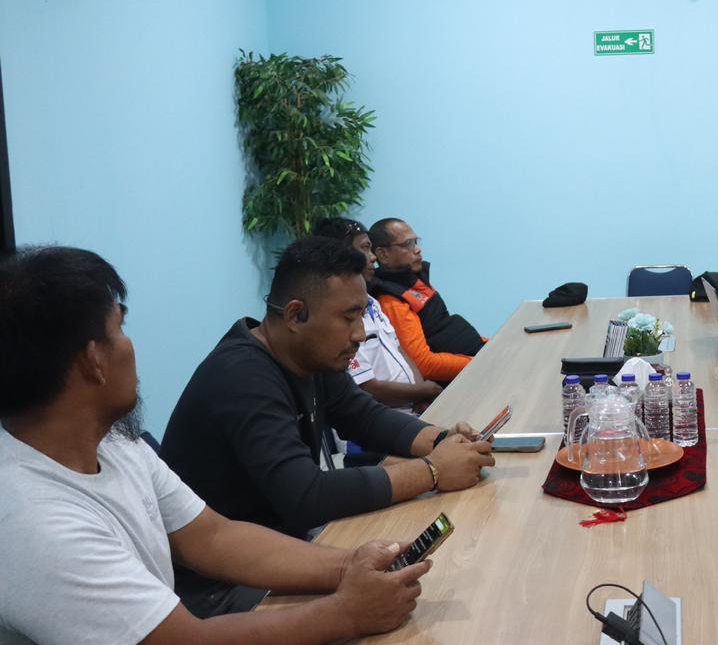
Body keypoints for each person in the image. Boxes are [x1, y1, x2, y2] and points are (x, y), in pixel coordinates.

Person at [0, 246, 432, 644]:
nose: (131, 347)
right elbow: (184, 641)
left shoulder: (113, 444)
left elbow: (213, 537)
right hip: (196, 612)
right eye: (120, 328)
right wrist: (347, 614)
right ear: (93, 361)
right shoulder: (36, 521)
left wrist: (349, 565)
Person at [161, 237, 494, 617]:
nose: (360, 333)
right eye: (348, 318)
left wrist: (446, 441)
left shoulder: (306, 354)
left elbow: (365, 417)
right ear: (295, 315)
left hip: (285, 550)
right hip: (221, 588)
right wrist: (432, 471)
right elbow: (306, 496)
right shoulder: (242, 376)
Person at [313, 217, 442, 413]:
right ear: (341, 255)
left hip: (413, 408)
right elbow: (367, 388)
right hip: (382, 417)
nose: (373, 257)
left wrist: (420, 393)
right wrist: (423, 391)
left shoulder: (372, 302)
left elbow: (400, 350)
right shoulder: (336, 318)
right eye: (365, 248)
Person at [368, 217, 485, 382]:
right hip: (464, 377)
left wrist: (491, 345)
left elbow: (445, 328)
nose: (417, 250)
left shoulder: (414, 280)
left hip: (476, 356)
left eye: (416, 242)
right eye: (407, 244)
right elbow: (424, 364)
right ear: (383, 254)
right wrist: (482, 362)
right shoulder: (391, 300)